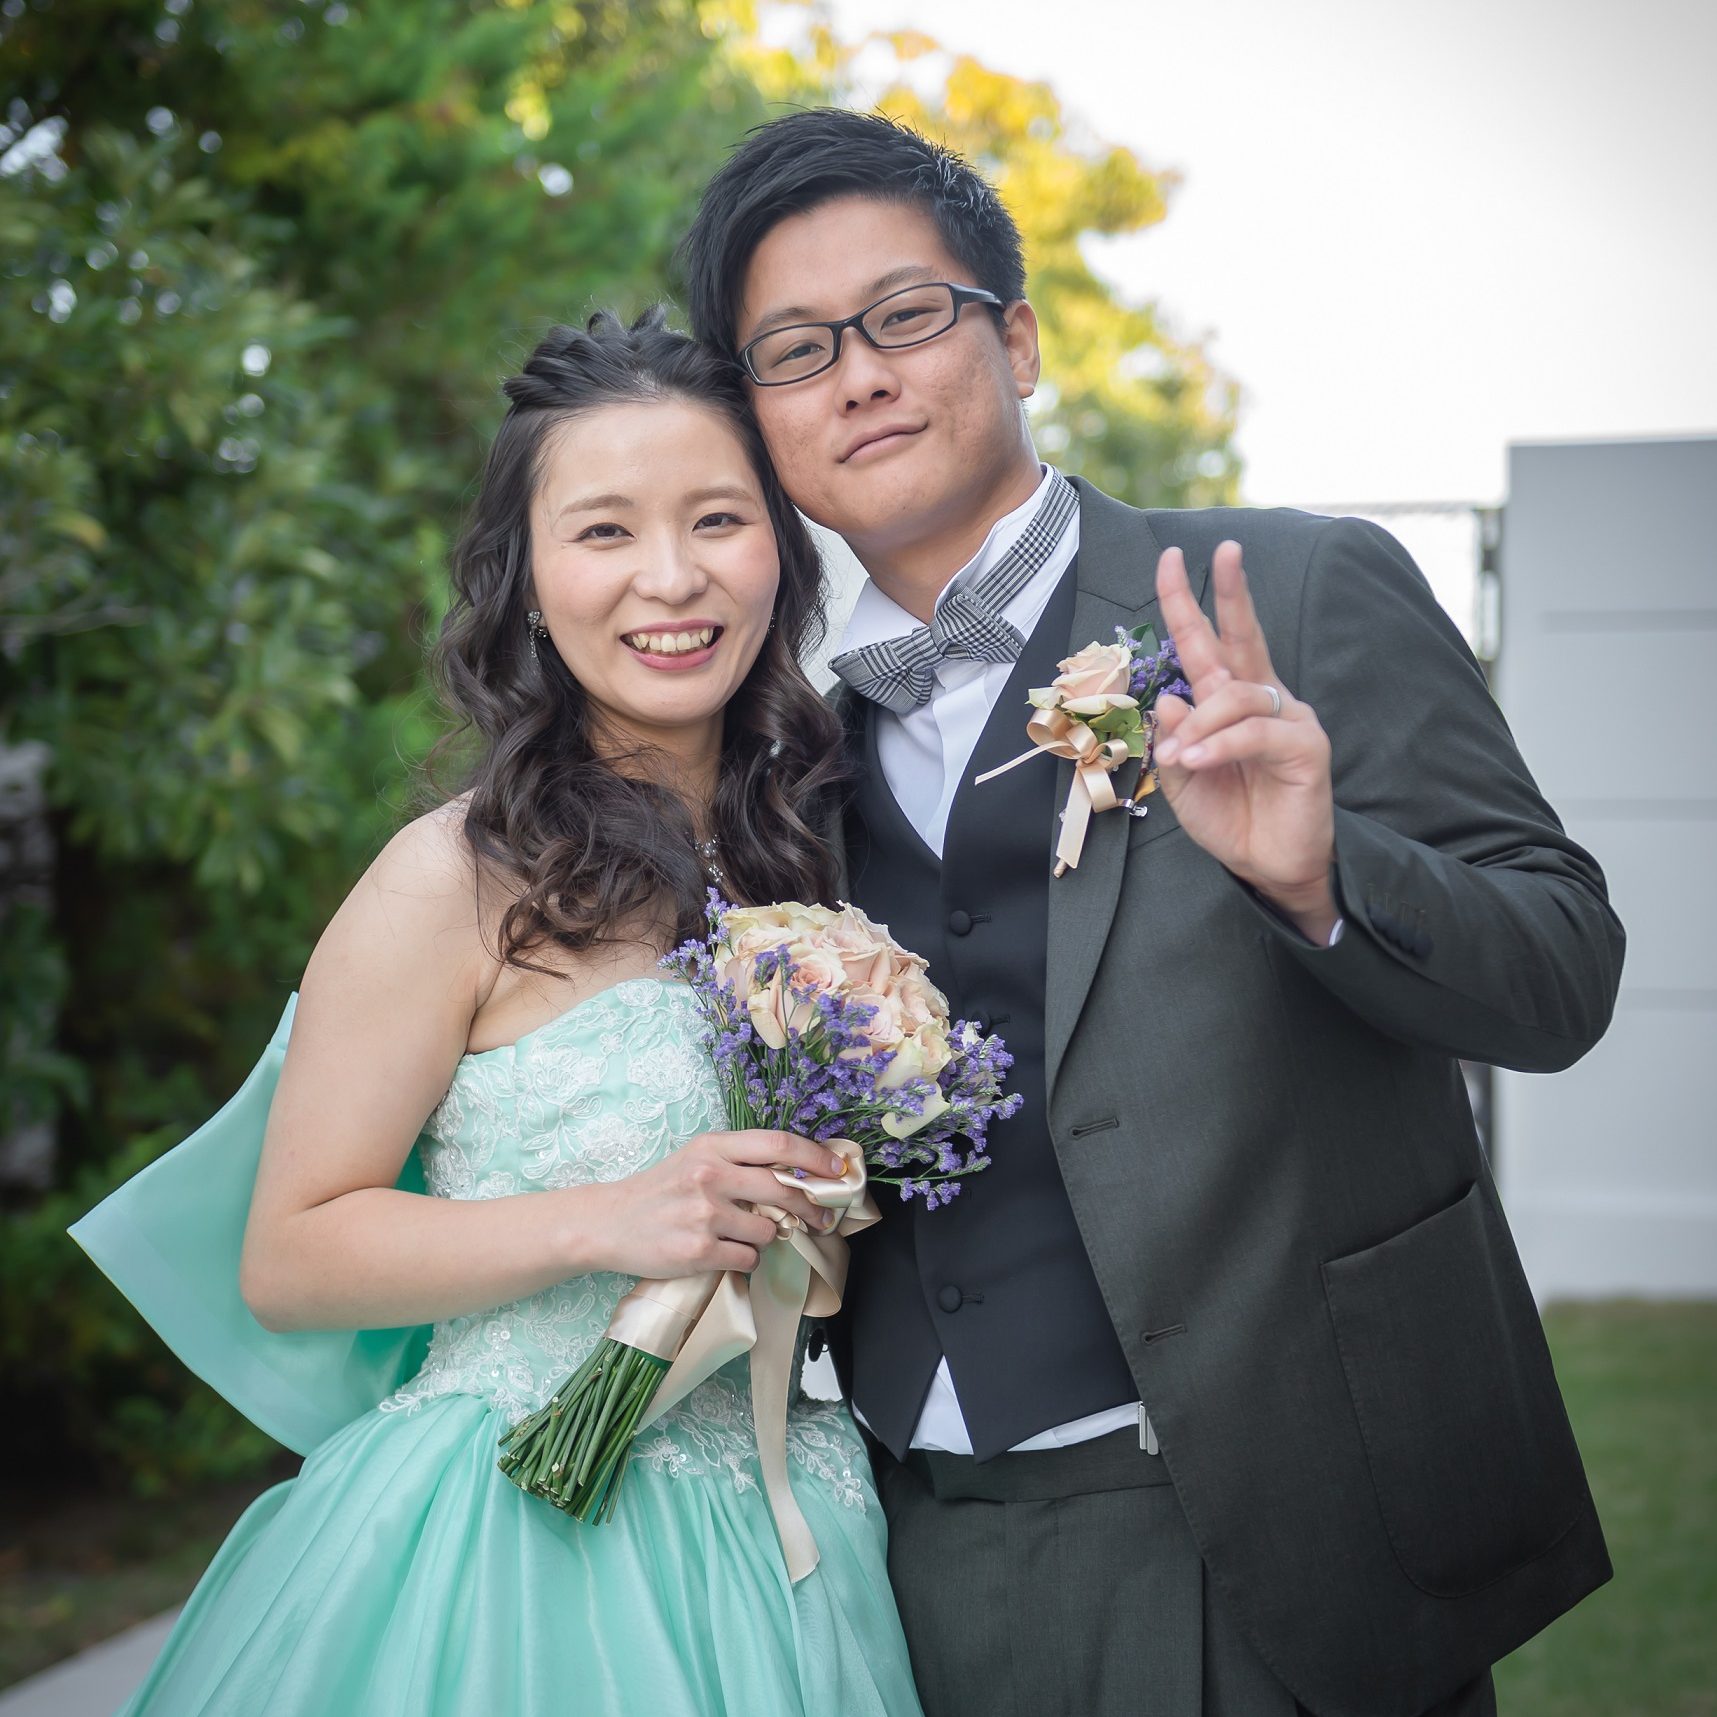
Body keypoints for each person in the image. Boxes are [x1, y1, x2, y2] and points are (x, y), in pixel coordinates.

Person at [681, 111, 1624, 1717]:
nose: (859, 376)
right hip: (912, 1548)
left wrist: (1320, 875)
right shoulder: (774, 752)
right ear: (759, 417)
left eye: (904, 315)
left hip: (1292, 1523)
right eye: (795, 349)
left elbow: (1560, 974)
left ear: (1017, 340)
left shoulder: (1292, 593)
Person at [74, 310, 924, 1717]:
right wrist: (608, 1219)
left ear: (781, 547)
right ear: (526, 578)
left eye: (717, 518)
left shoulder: (823, 858)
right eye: (604, 531)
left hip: (787, 1527)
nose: (671, 576)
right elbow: (290, 1254)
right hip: (510, 1544)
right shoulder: (458, 876)